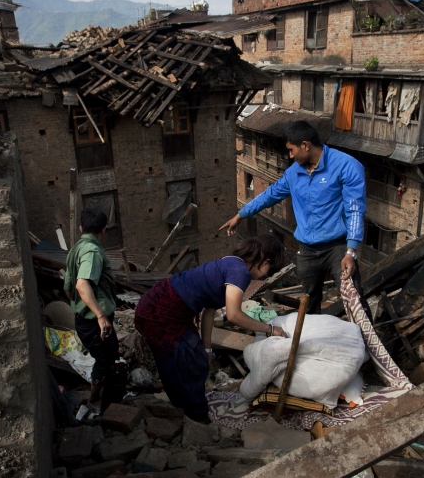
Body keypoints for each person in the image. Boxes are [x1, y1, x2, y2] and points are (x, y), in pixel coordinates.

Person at [219, 120, 368, 315]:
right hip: (307, 250)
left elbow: (355, 209)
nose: (290, 155)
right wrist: (241, 215)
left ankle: (366, 334)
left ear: (305, 145)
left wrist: (351, 252)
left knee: (353, 298)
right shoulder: (293, 173)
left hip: (337, 247)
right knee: (309, 303)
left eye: (291, 150)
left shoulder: (346, 166)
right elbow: (270, 194)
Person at [134, 235, 288, 422]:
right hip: (160, 313)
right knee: (187, 364)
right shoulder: (241, 272)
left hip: (162, 306)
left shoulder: (230, 263)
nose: (266, 276)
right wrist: (269, 329)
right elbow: (234, 314)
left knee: (190, 359)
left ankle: (183, 411)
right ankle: (196, 419)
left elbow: (209, 310)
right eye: (270, 270)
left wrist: (207, 348)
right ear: (265, 261)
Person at [64, 208, 125, 405]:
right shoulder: (92, 252)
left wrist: (78, 305)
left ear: (81, 228)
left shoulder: (75, 250)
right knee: (104, 361)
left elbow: (68, 288)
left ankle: (103, 397)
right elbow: (81, 284)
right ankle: (97, 400)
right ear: (104, 230)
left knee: (110, 353)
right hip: (94, 322)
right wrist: (100, 315)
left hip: (84, 319)